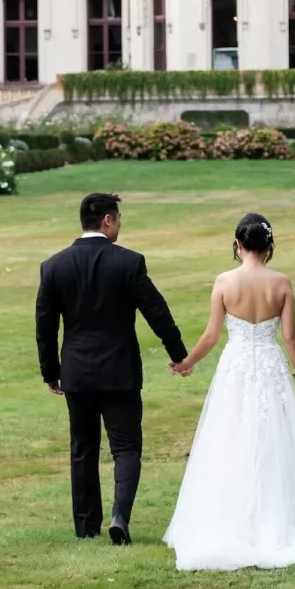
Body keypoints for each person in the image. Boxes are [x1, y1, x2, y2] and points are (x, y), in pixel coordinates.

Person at [163, 211, 295, 571]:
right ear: (269, 246)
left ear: (238, 245)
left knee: (229, 437)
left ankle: (232, 518)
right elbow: (290, 338)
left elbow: (212, 335)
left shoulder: (225, 282)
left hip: (236, 369)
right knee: (275, 439)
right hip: (271, 369)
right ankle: (276, 518)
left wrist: (186, 362)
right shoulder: (282, 283)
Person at [35, 192, 187, 544]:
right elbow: (157, 311)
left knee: (83, 448)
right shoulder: (128, 263)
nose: (119, 225)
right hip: (120, 371)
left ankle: (86, 526)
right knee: (126, 447)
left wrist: (50, 370)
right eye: (118, 218)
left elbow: (45, 325)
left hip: (77, 371)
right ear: (107, 220)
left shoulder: (54, 266)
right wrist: (178, 353)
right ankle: (120, 515)